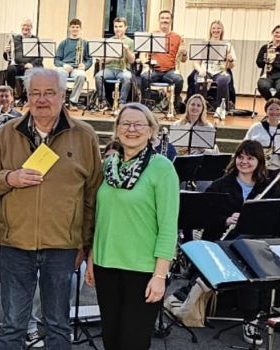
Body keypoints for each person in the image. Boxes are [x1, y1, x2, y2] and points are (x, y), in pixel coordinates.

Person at [0, 68, 102, 349]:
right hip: (16, 244)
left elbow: (92, 196)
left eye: (50, 93)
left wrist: (84, 244)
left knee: (58, 325)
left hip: (62, 247)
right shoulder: (7, 133)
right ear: (27, 95)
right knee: (13, 324)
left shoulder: (85, 136)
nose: (42, 99)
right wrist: (10, 178)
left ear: (63, 96)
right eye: (35, 92)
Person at [86, 103, 179, 350]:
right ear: (116, 130)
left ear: (151, 131)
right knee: (111, 340)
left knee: (133, 343)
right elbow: (102, 217)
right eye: (125, 123)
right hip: (107, 266)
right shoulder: (109, 166)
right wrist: (93, 257)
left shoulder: (162, 168)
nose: (132, 129)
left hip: (142, 271)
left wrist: (160, 275)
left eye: (139, 124)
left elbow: (168, 226)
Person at [204, 140, 280, 346]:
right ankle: (252, 317)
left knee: (254, 252)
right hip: (224, 244)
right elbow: (203, 214)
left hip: (259, 244)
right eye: (240, 157)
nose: (244, 162)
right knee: (248, 254)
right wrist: (225, 220)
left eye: (250, 158)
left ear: (259, 161)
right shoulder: (220, 185)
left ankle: (258, 313)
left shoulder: (270, 188)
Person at [140, 10, 187, 111]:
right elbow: (142, 54)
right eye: (162, 18)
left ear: (171, 21)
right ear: (159, 20)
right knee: (144, 77)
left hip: (169, 71)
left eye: (167, 18)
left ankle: (174, 105)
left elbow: (183, 60)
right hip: (154, 70)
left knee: (179, 80)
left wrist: (184, 53)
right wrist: (145, 66)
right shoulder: (152, 35)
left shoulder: (177, 37)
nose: (164, 20)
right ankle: (146, 105)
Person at [186, 20, 236, 109]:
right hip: (206, 71)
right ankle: (200, 107)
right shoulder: (204, 43)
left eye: (218, 28)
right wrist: (200, 70)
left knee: (223, 80)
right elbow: (196, 63)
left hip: (220, 72)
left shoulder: (228, 45)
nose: (216, 30)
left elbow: (231, 66)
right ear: (210, 30)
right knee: (200, 79)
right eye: (213, 28)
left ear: (222, 30)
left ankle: (221, 108)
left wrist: (230, 60)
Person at [244, 98, 280, 177]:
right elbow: (244, 147)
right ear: (266, 111)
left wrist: (279, 150)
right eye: (271, 109)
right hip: (257, 168)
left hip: (279, 170)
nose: (274, 112)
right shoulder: (256, 127)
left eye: (277, 109)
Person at [93, 17, 135, 110]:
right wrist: (115, 56)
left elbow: (132, 61)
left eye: (120, 26)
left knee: (127, 77)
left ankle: (121, 103)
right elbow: (102, 60)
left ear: (125, 27)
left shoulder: (130, 41)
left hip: (123, 69)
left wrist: (127, 50)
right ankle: (102, 101)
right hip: (110, 69)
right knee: (98, 76)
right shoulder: (109, 41)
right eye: (116, 26)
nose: (118, 29)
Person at [54, 19, 92, 110]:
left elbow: (89, 60)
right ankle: (61, 101)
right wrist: (64, 65)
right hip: (65, 67)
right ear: (69, 29)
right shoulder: (64, 43)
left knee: (81, 75)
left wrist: (85, 66)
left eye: (77, 27)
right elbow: (56, 60)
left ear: (80, 29)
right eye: (73, 27)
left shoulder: (85, 43)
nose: (75, 29)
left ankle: (73, 101)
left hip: (77, 69)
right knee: (59, 73)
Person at [2, 19, 43, 104]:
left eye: (28, 26)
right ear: (21, 27)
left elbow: (40, 57)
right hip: (17, 65)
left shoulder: (35, 39)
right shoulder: (15, 39)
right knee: (10, 69)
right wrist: (6, 52)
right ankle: (11, 95)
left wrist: (32, 64)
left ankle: (24, 98)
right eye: (23, 25)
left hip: (29, 66)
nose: (25, 27)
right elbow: (8, 58)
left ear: (31, 27)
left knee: (29, 72)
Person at [256, 25, 280, 101]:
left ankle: (273, 106)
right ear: (273, 33)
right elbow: (259, 64)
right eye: (276, 32)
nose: (278, 35)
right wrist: (265, 60)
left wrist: (274, 62)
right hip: (267, 76)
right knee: (263, 86)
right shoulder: (265, 47)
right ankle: (273, 104)